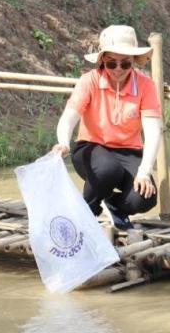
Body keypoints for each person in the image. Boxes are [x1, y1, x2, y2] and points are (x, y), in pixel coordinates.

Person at [51, 25, 161, 229]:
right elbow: (68, 118)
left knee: (145, 197)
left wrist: (145, 171)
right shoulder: (89, 81)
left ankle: (114, 205)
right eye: (112, 63)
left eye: (125, 63)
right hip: (91, 148)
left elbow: (153, 131)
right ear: (102, 61)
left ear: (133, 62)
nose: (118, 69)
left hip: (129, 152)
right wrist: (63, 143)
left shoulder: (145, 86)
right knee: (107, 170)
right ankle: (86, 211)